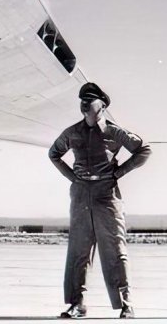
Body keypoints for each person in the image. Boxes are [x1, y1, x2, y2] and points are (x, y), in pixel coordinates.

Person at [49, 82, 151, 319]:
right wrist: (72, 177)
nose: (84, 103)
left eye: (90, 99)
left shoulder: (114, 132)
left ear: (102, 105)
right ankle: (77, 304)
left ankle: (126, 304)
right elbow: (53, 154)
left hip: (106, 195)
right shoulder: (72, 133)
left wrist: (119, 172)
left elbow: (143, 150)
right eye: (82, 99)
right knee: (78, 250)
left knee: (115, 249)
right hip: (81, 194)